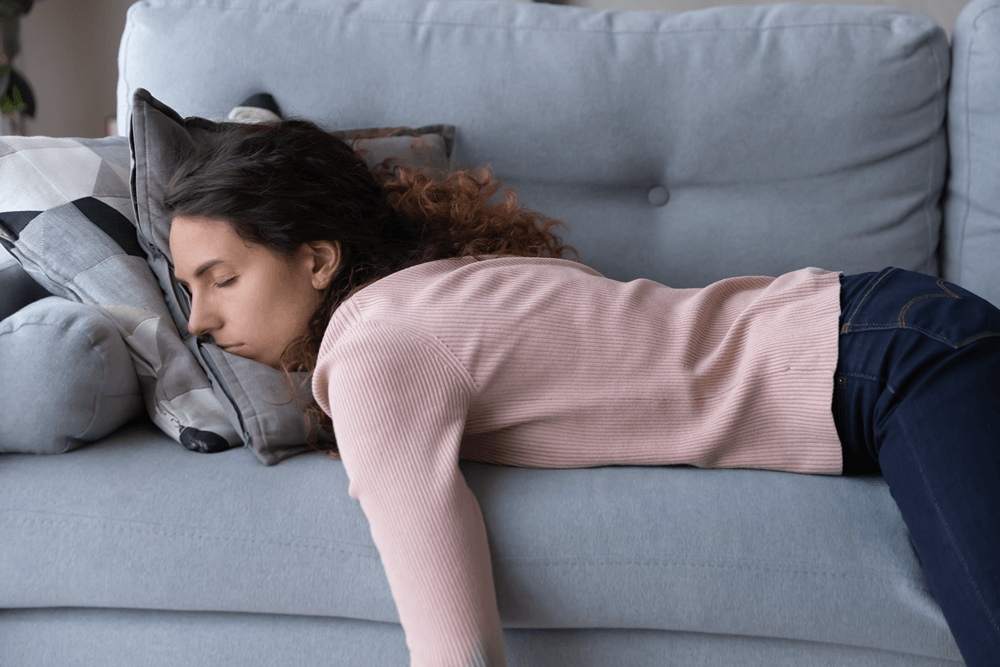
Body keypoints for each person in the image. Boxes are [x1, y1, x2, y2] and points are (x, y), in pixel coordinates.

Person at [164, 118, 999, 667]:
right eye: (187, 290)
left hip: (896, 362)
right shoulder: (431, 292)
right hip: (891, 333)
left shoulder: (375, 350)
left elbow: (454, 643)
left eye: (221, 279)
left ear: (316, 258)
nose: (198, 321)